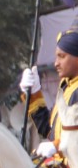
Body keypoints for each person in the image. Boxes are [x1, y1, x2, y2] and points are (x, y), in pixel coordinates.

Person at [23, 18, 78, 158]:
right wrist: (34, 92)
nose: (56, 63)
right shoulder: (66, 86)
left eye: (62, 56)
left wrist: (57, 146)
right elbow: (49, 131)